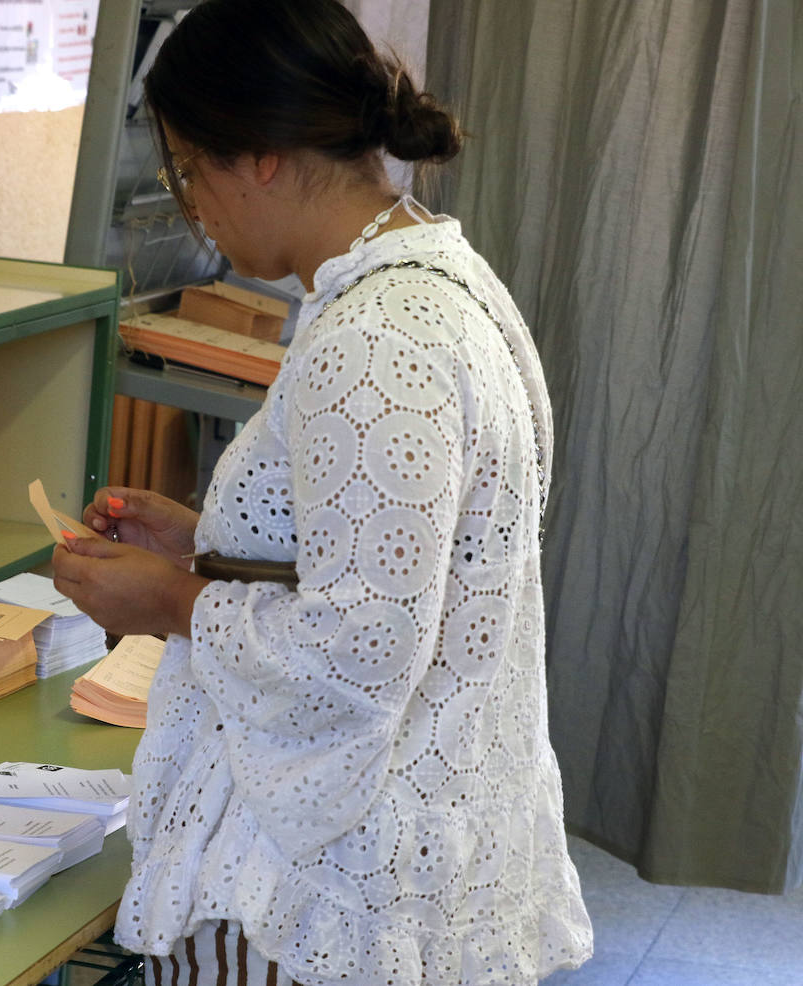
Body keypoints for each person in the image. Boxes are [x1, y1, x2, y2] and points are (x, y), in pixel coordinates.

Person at [51, 1, 593, 983]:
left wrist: (167, 602)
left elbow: (361, 647)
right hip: (421, 843)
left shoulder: (376, 342)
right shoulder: (441, 281)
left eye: (187, 170)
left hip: (321, 890)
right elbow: (396, 553)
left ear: (257, 155)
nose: (189, 204)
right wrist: (205, 544)